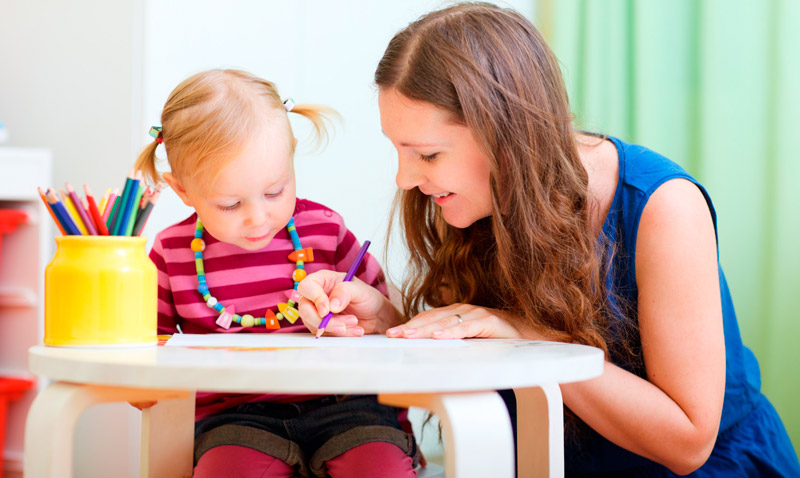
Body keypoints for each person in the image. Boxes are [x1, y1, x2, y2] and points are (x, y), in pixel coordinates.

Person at [297, 3, 800, 476]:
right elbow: (487, 344)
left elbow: (688, 442)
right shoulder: (469, 205)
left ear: (507, 135)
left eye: (427, 155)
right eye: (399, 151)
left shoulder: (663, 205)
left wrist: (530, 341)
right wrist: (392, 325)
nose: (405, 178)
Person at [136, 69, 418, 478]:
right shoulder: (171, 253)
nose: (257, 218)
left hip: (347, 406)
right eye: (230, 204)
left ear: (291, 158)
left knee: (381, 470)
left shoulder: (325, 230)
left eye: (275, 191)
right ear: (182, 190)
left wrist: (356, 318)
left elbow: (393, 328)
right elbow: (147, 350)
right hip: (235, 421)